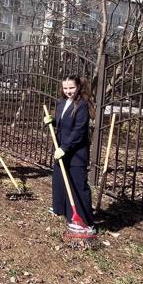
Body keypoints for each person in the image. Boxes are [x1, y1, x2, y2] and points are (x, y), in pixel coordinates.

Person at [43, 75, 96, 235]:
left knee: (78, 185)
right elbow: (63, 124)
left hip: (76, 153)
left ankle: (86, 223)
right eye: (65, 88)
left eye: (71, 88)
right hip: (61, 149)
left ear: (78, 86)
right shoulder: (61, 103)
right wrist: (51, 121)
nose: (68, 91)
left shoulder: (82, 106)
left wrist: (65, 148)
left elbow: (79, 131)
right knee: (59, 179)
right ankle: (61, 209)